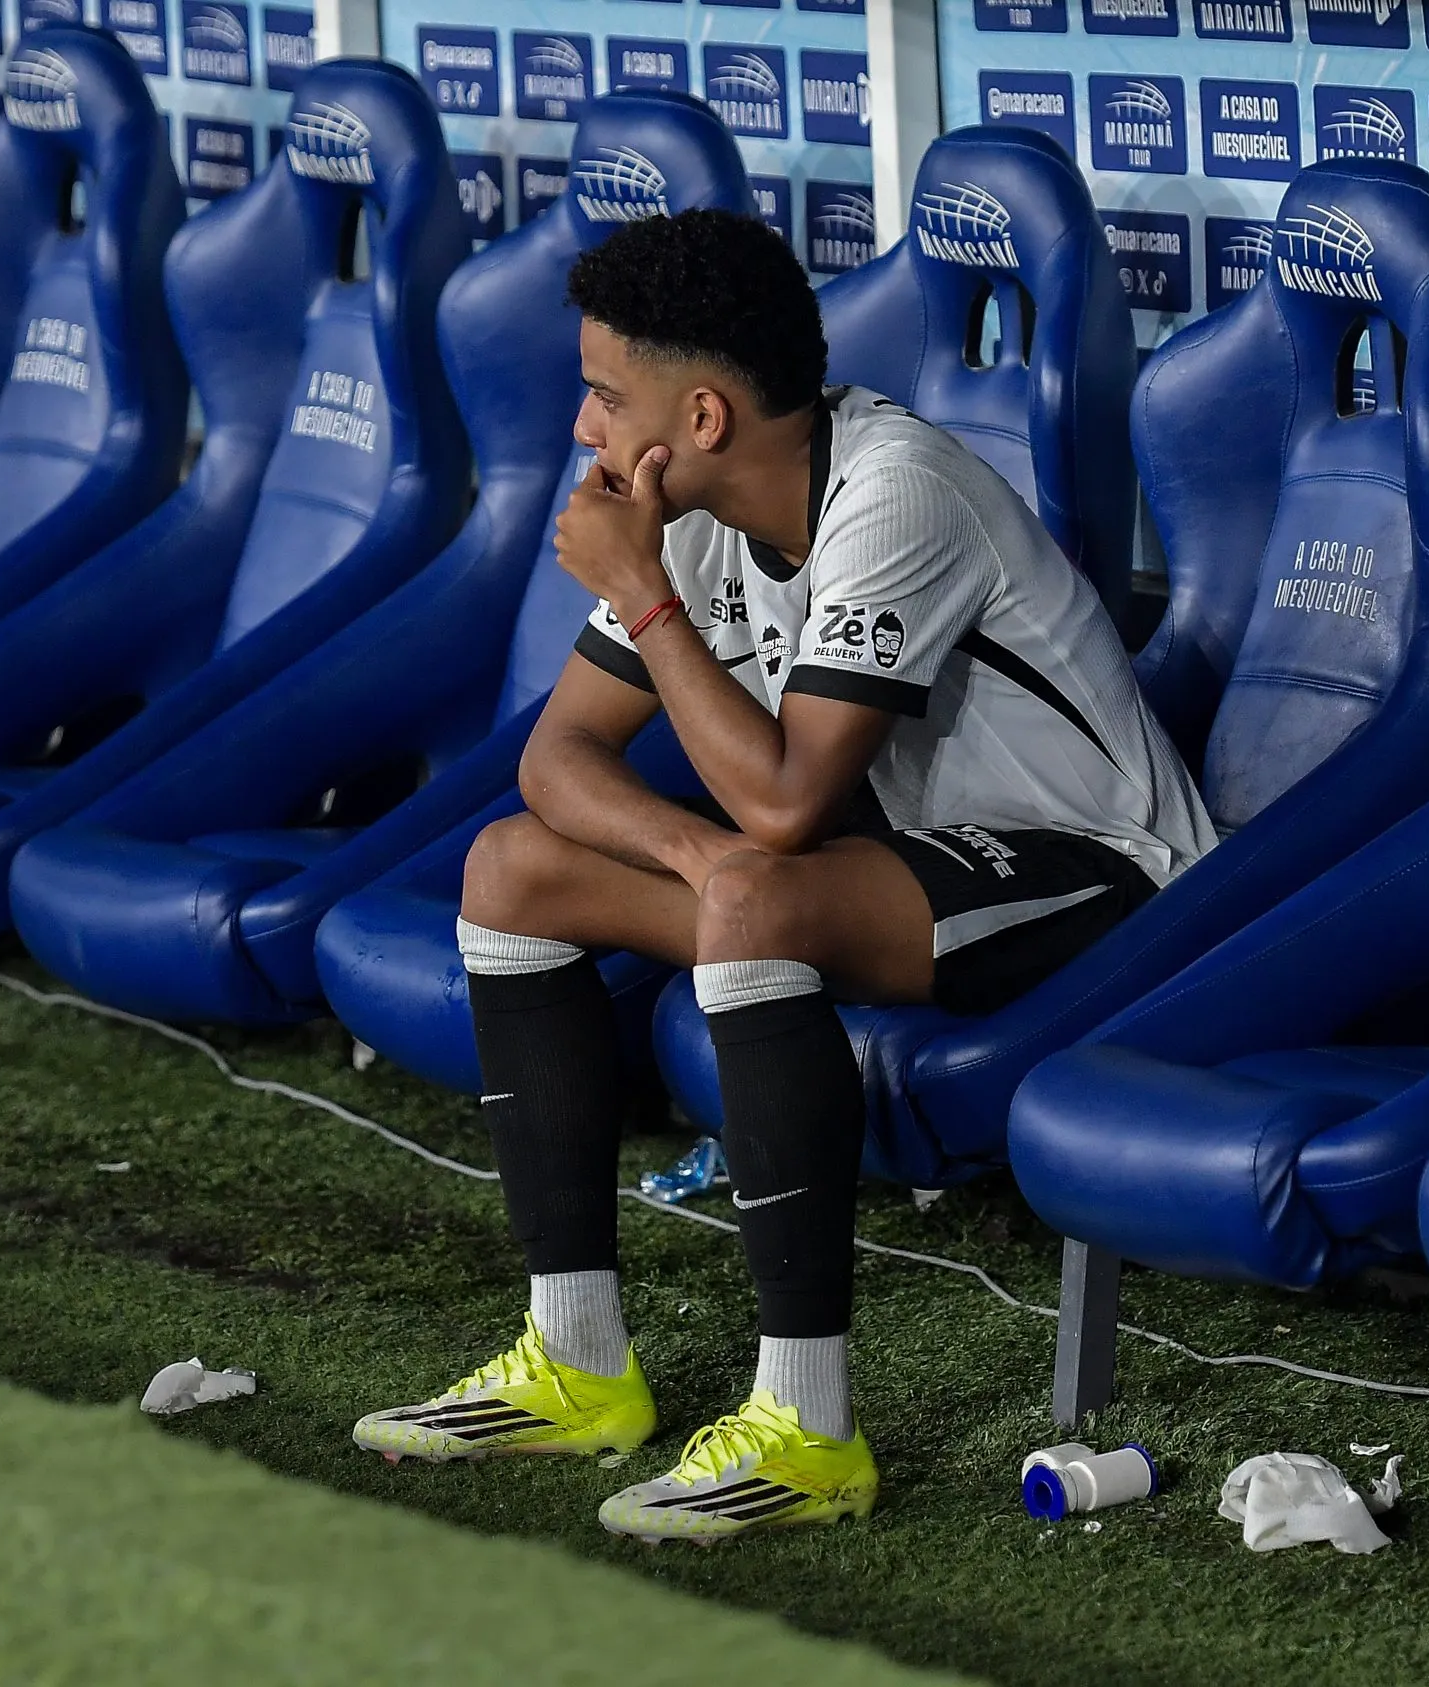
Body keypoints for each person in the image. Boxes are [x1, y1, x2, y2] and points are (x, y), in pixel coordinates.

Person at [351, 208, 1217, 1543]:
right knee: (512, 869)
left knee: (755, 890)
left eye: (604, 396)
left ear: (701, 416)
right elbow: (556, 762)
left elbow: (787, 801)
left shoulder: (896, 493)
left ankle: (809, 1429)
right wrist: (703, 858)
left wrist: (646, 600)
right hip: (897, 872)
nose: (584, 427)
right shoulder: (694, 512)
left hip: (1105, 877)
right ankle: (575, 1359)